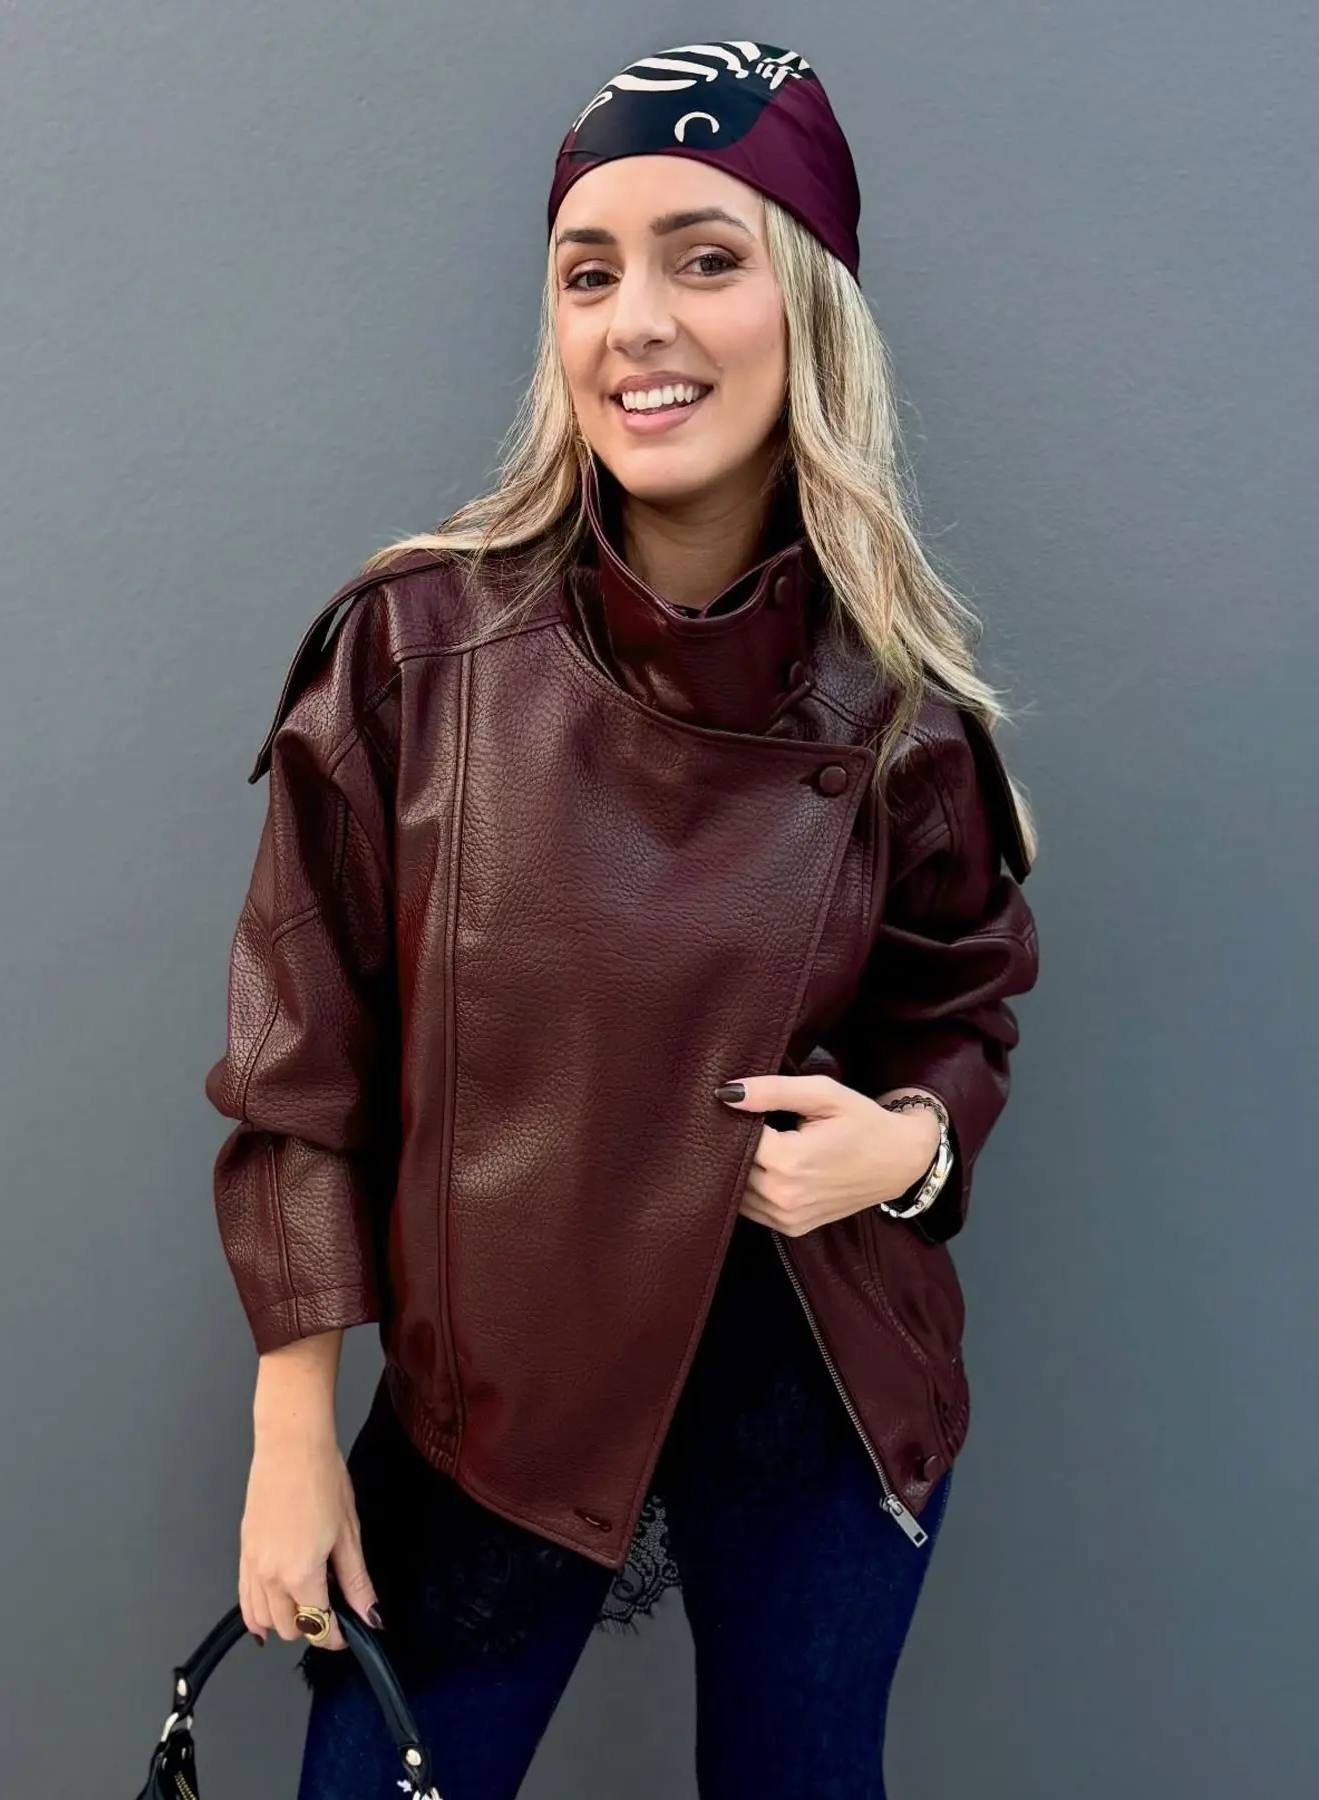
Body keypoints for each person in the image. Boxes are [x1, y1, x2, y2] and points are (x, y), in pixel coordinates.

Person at [204, 37, 1041, 1800]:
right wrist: (292, 1430)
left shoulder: (899, 712)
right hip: (492, 1402)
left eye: (704, 257)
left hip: (812, 1382)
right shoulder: (412, 653)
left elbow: (959, 1016)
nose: (635, 321)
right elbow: (297, 1075)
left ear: (809, 306)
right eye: (588, 275)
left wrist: (901, 1150)